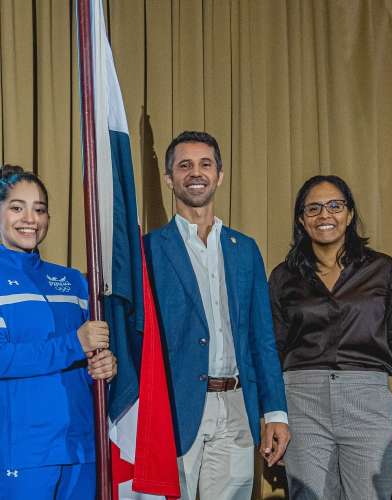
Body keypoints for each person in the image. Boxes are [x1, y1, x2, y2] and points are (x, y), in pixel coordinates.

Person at [144, 131, 290, 500]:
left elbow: (263, 338)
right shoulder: (148, 250)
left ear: (219, 175)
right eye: (185, 165)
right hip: (173, 411)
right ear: (169, 178)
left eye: (205, 164)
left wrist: (275, 411)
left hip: (237, 410)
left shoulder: (245, 250)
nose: (196, 173)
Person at [0, 165, 117, 500]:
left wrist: (104, 367)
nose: (30, 218)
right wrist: (74, 343)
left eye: (39, 209)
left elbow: (92, 358)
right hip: (21, 453)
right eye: (17, 208)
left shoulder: (74, 281)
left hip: (81, 449)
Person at [268, 175, 392, 499]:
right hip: (302, 402)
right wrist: (272, 414)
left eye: (335, 205)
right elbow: (272, 350)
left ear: (350, 214)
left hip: (367, 401)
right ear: (301, 218)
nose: (324, 215)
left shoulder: (382, 269)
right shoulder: (284, 277)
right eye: (313, 208)